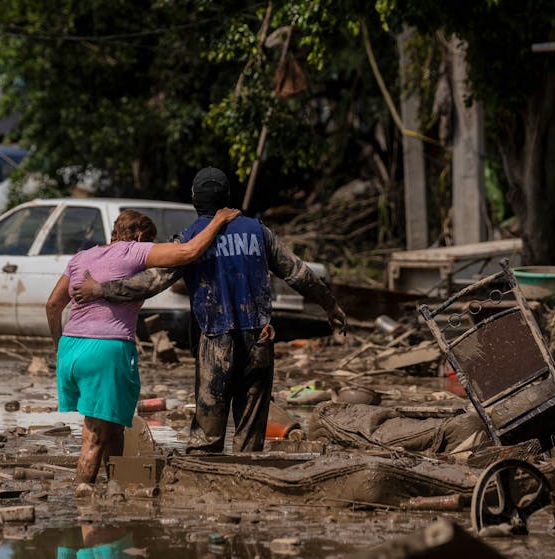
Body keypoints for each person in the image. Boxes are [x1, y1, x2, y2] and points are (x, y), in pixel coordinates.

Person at [73, 167, 346, 454]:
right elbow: (298, 273)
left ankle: (204, 478)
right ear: (227, 197)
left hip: (216, 340)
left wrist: (102, 289)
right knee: (250, 432)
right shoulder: (258, 232)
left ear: (195, 199)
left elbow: (152, 282)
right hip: (259, 339)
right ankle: (249, 476)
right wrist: (330, 305)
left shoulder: (192, 238)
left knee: (206, 436)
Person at [45, 207, 240, 484]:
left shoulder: (82, 257)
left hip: (71, 349)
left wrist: (59, 347)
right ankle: (83, 501)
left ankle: (116, 489)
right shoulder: (134, 251)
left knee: (114, 427)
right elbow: (188, 252)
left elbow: (53, 305)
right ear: (139, 235)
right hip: (106, 350)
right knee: (94, 437)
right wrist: (218, 220)